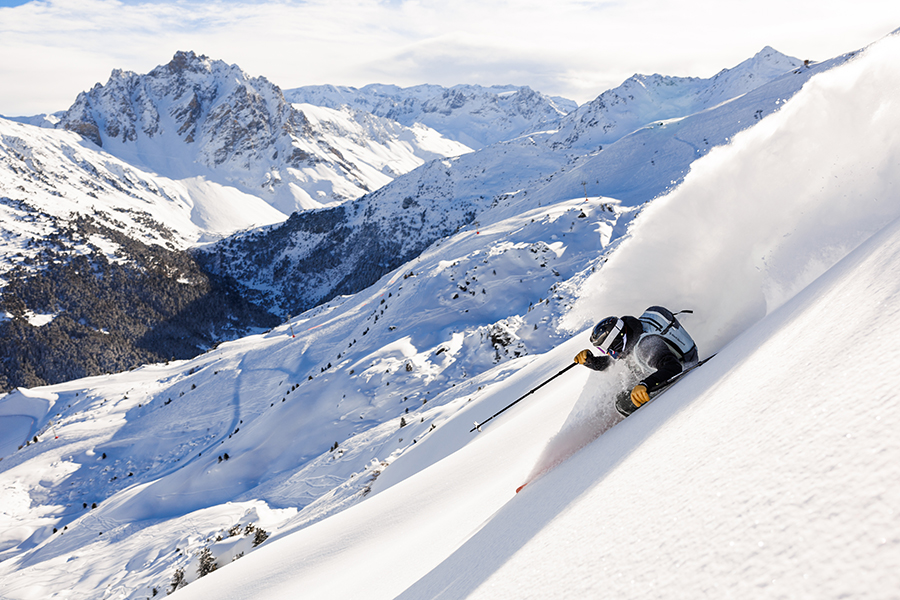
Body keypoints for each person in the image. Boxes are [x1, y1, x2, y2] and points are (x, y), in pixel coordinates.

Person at [574, 306, 698, 417]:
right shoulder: (632, 333)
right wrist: (590, 361)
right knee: (623, 375)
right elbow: (610, 363)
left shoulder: (646, 346)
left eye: (607, 348)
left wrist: (646, 384)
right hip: (655, 365)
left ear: (617, 341)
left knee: (622, 402)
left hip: (678, 368)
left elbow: (674, 366)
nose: (608, 353)